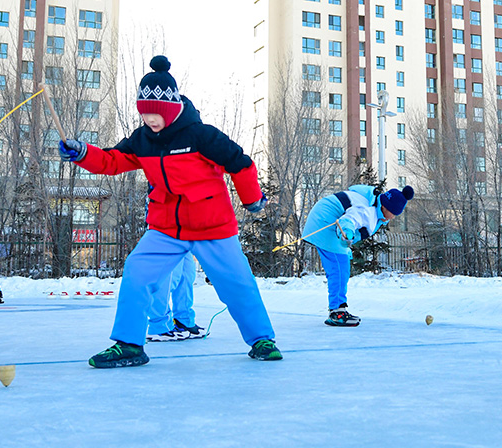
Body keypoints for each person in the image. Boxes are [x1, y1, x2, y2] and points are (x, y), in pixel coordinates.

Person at [58, 55, 281, 368]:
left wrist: (252, 200)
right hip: (166, 228)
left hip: (211, 226)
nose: (150, 120)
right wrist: (82, 153)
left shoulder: (201, 135)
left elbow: (241, 164)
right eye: (145, 113)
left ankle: (262, 340)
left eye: (156, 114)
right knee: (136, 272)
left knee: (237, 282)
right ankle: (129, 344)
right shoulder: (143, 140)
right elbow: (112, 161)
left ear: (172, 109)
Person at [302, 184, 414, 326]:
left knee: (342, 267)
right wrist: (347, 232)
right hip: (325, 221)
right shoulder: (370, 211)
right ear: (386, 208)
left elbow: (356, 232)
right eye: (394, 214)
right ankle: (337, 312)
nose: (393, 218)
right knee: (339, 269)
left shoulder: (374, 204)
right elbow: (349, 220)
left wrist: (347, 244)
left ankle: (338, 309)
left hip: (324, 217)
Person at [146, 252, 207, 341]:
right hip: (170, 240)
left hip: (187, 240)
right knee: (169, 278)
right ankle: (160, 325)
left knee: (186, 275)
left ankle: (184, 321)